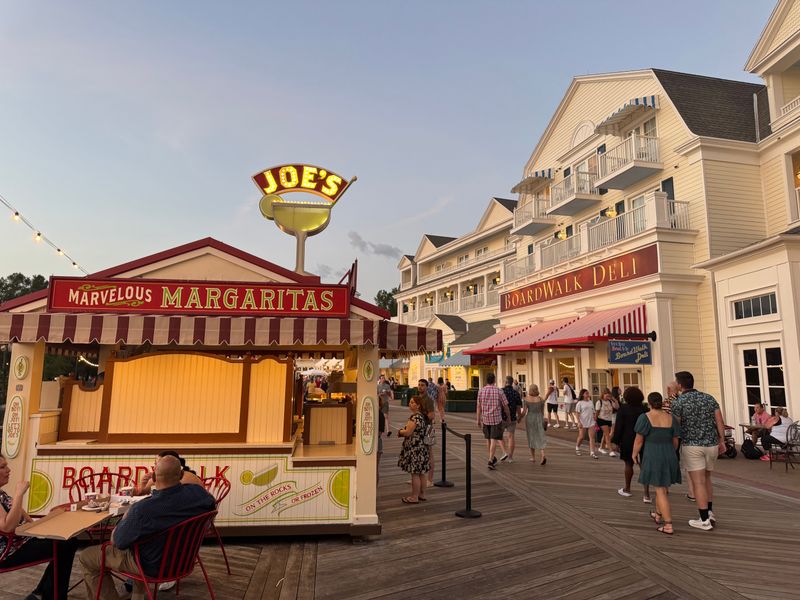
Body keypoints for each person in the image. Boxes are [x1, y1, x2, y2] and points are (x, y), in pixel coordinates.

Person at [80, 455, 215, 600]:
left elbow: (118, 542)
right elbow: (212, 506)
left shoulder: (143, 509)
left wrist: (126, 519)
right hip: (184, 561)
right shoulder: (199, 493)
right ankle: (138, 596)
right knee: (142, 542)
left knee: (87, 556)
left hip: (150, 565)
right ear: (181, 475)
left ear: (154, 478)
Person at [0, 454, 79, 600]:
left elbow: (28, 521)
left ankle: (42, 593)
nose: (9, 470)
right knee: (65, 545)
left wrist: (52, 520)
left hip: (20, 541)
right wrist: (18, 494)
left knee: (68, 541)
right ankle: (48, 595)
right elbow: (7, 528)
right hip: (7, 552)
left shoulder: (2, 494)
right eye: (3, 467)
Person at [670, 370, 727, 531]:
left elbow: (676, 426)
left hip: (692, 445)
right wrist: (722, 440)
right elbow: (719, 420)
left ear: (680, 385)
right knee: (707, 479)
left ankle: (704, 519)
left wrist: (674, 444)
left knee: (698, 482)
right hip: (711, 444)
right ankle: (709, 512)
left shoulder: (679, 402)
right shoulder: (709, 398)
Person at [632, 392, 681, 535]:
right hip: (669, 454)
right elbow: (675, 441)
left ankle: (668, 524)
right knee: (663, 487)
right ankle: (658, 514)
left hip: (653, 454)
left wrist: (634, 453)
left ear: (649, 403)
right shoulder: (671, 418)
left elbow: (639, 440)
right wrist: (671, 452)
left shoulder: (645, 417)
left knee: (660, 490)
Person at [611, 387, 651, 502]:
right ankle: (646, 494)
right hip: (644, 439)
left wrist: (616, 442)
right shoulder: (645, 409)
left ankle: (627, 489)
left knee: (628, 464)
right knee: (644, 466)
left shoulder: (623, 409)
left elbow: (619, 427)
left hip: (628, 439)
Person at [397, 396, 430, 503]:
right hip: (422, 447)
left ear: (418, 405)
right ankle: (423, 494)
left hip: (414, 448)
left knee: (415, 474)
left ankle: (414, 497)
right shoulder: (422, 417)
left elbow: (408, 432)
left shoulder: (415, 418)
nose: (410, 404)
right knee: (421, 473)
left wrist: (400, 431)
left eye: (412, 402)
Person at [476, 373, 510, 470]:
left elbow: (478, 406)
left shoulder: (481, 391)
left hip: (485, 419)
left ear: (486, 380)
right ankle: (490, 460)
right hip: (496, 419)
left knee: (488, 439)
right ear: (494, 380)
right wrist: (508, 417)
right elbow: (505, 406)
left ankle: (491, 457)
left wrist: (478, 419)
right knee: (494, 439)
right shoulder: (499, 391)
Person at [133, 450, 204, 495]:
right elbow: (142, 492)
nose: (155, 467)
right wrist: (143, 483)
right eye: (155, 464)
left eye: (158, 464)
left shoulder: (170, 478)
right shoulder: (188, 476)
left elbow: (141, 492)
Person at [522, 384, 547, 465]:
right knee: (540, 436)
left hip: (530, 418)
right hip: (539, 417)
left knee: (531, 436)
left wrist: (519, 418)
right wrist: (543, 420)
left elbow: (524, 411)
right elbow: (542, 412)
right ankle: (543, 454)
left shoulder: (526, 399)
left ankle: (533, 457)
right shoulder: (541, 399)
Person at [500, 375, 523, 463]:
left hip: (501, 417)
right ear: (512, 382)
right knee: (511, 437)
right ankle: (510, 457)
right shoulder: (515, 393)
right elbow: (518, 407)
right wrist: (519, 417)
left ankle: (504, 452)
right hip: (512, 418)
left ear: (505, 382)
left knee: (499, 436)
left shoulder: (501, 391)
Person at [575, 389, 598, 459]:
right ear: (583, 395)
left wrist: (595, 418)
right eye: (586, 393)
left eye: (588, 393)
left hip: (591, 422)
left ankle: (592, 452)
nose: (588, 394)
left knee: (592, 437)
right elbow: (577, 413)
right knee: (581, 436)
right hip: (583, 422)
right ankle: (577, 447)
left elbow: (593, 411)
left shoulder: (590, 402)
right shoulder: (579, 403)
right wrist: (578, 422)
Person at [596, 389, 616, 455]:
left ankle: (601, 447)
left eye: (608, 396)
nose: (607, 397)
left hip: (609, 419)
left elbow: (617, 407)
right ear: (603, 395)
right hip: (601, 419)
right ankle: (611, 451)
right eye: (606, 396)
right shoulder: (599, 402)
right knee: (607, 435)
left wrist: (613, 399)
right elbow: (597, 412)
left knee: (605, 434)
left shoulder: (610, 401)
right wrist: (595, 421)